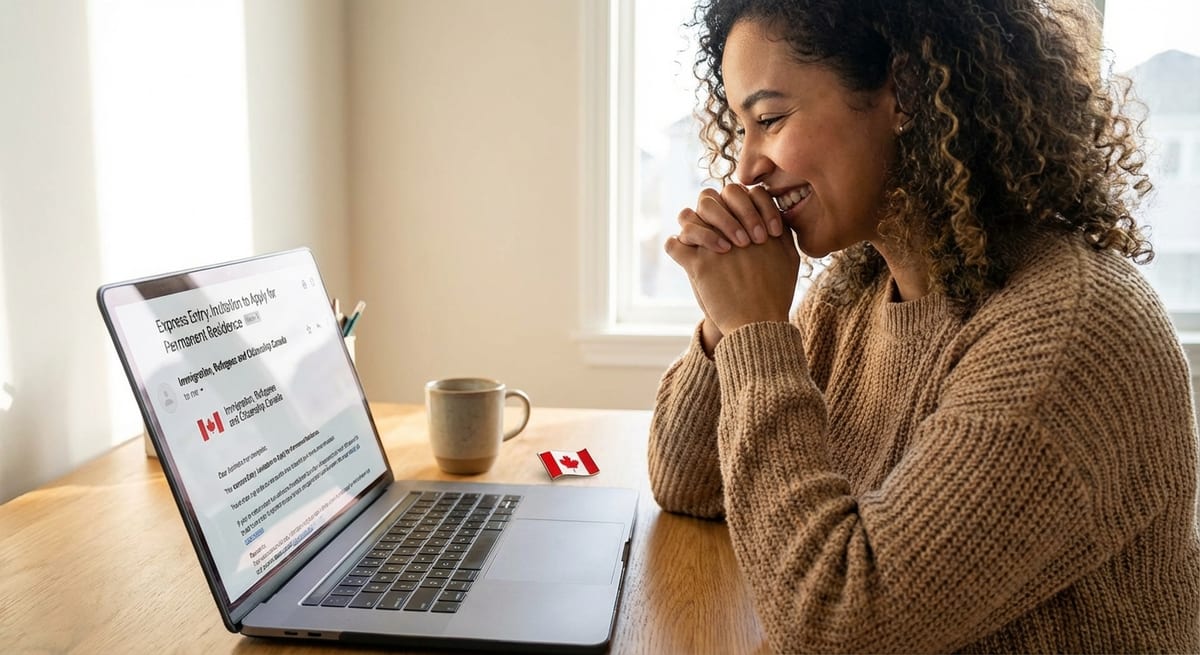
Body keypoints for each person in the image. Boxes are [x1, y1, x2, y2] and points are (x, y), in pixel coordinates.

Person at [648, 0, 1200, 651]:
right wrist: (725, 326)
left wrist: (755, 336)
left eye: (769, 119)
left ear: (905, 92)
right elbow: (690, 484)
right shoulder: (854, 291)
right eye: (740, 127)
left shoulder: (1071, 334)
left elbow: (837, 621)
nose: (745, 168)